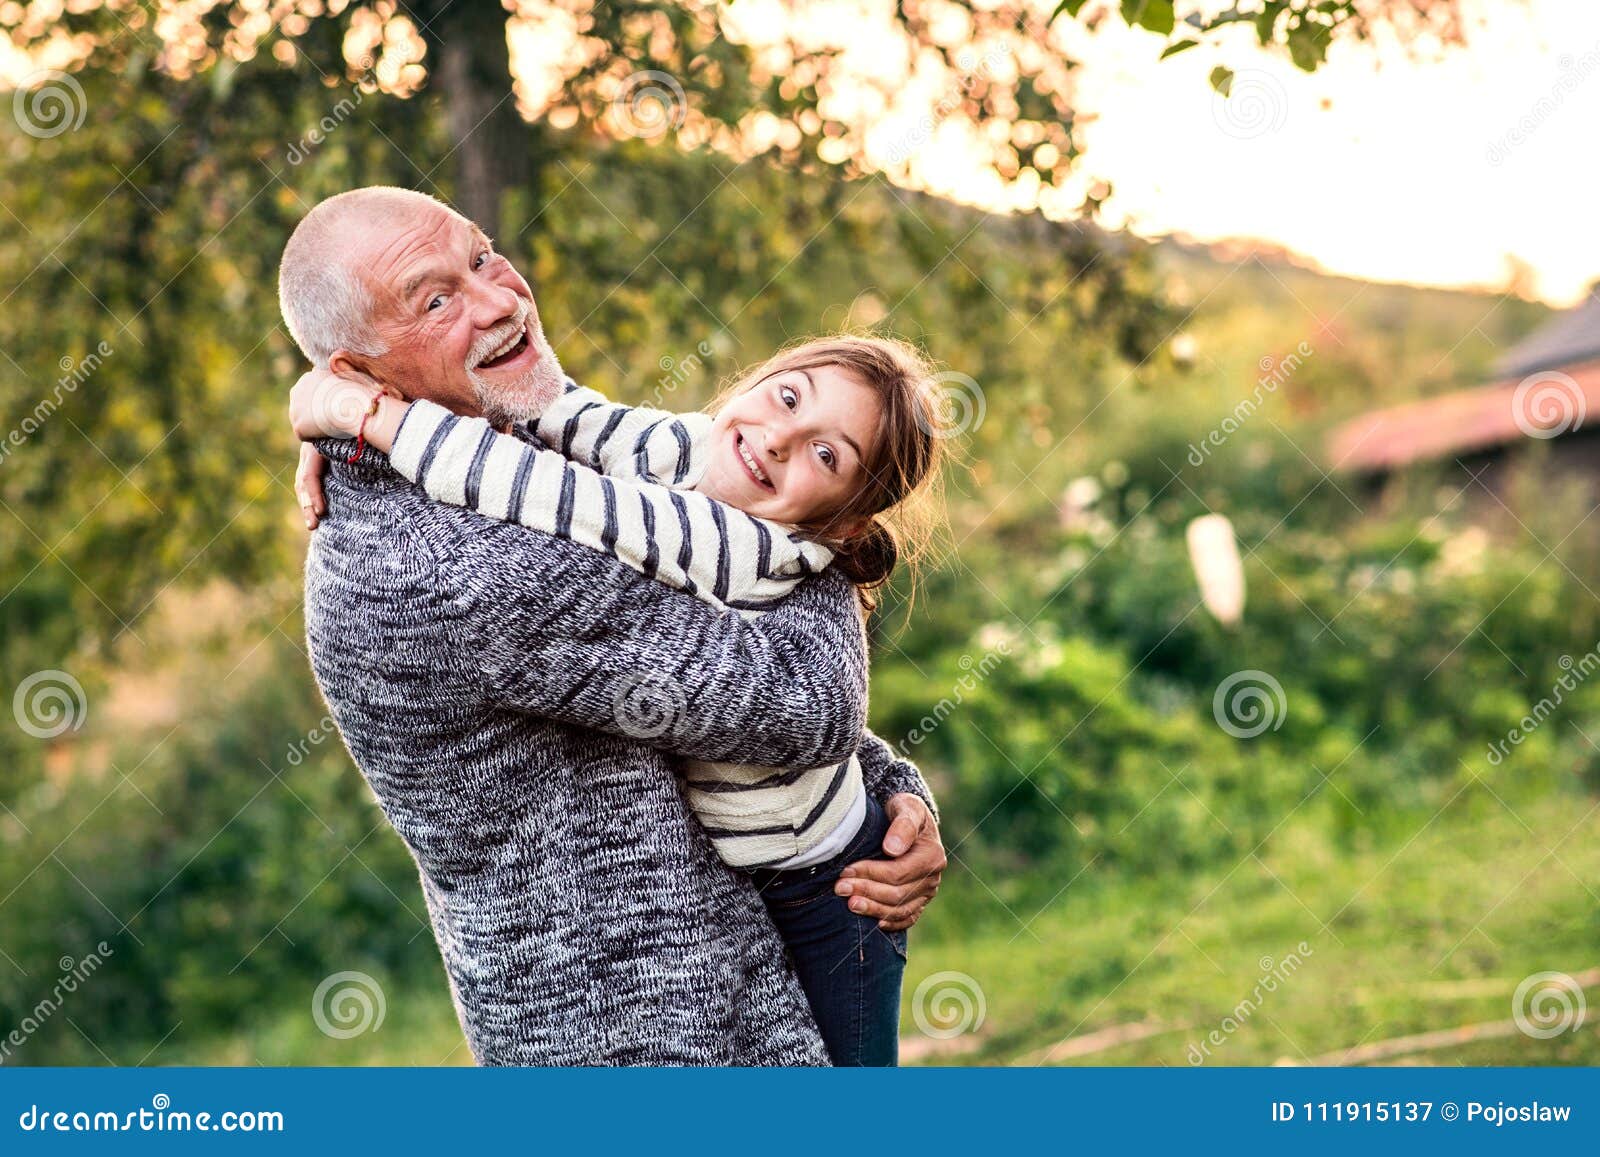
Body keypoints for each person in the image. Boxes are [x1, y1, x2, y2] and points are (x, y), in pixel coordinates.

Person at [278, 185, 946, 1065]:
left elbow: (720, 600)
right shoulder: (448, 559)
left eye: (483, 256)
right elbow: (797, 695)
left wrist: (885, 791)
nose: (499, 300)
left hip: (730, 989)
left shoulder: (502, 435)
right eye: (435, 300)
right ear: (356, 367)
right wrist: (824, 529)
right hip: (647, 1035)